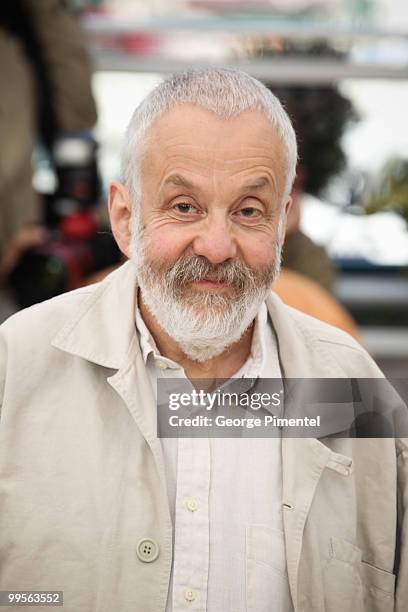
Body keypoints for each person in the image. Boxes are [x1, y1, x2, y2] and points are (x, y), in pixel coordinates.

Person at [0, 68, 406, 612]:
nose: (216, 246)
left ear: (281, 224)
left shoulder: (350, 387)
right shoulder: (17, 368)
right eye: (184, 206)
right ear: (124, 218)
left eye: (247, 211)